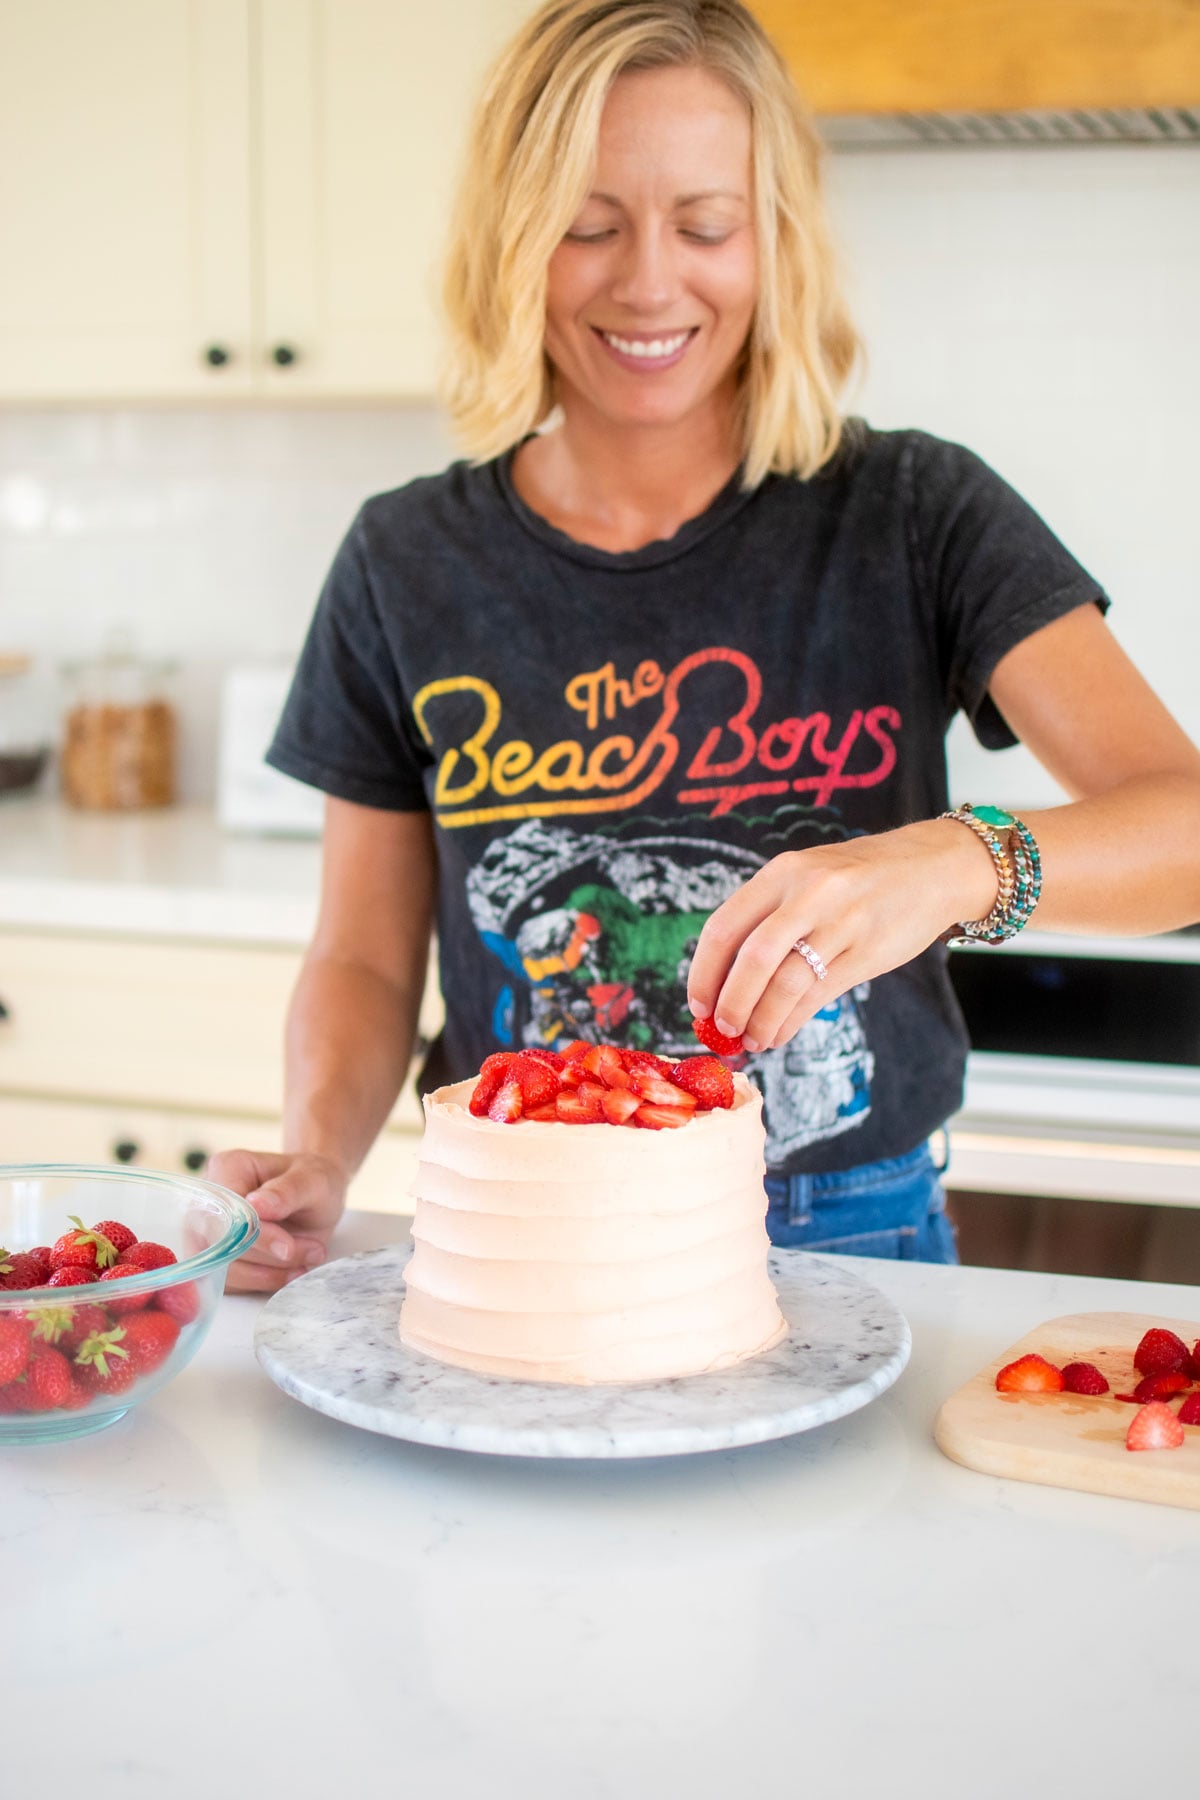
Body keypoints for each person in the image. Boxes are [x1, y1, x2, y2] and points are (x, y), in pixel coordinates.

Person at [211, 0, 1200, 1292]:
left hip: (852, 1237)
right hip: (521, 1234)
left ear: (772, 241)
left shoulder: (914, 512)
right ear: (515, 239)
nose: (650, 281)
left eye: (705, 223)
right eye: (589, 223)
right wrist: (318, 1163)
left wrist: (950, 863)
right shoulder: (405, 559)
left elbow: (1180, 828)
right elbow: (361, 952)